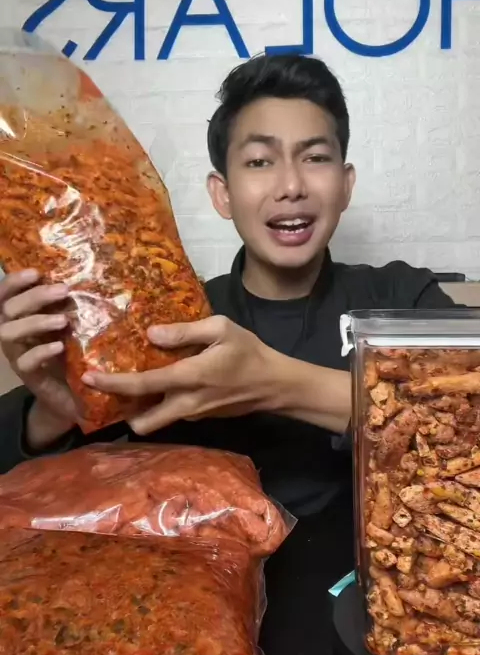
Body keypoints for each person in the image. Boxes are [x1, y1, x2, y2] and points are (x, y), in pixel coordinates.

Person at [0, 53, 455, 515]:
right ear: (223, 194)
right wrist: (54, 415)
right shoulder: (164, 325)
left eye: (315, 157)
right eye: (259, 161)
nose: (291, 185)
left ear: (345, 184)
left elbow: (464, 414)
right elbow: (61, 492)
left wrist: (279, 385)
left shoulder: (402, 297)